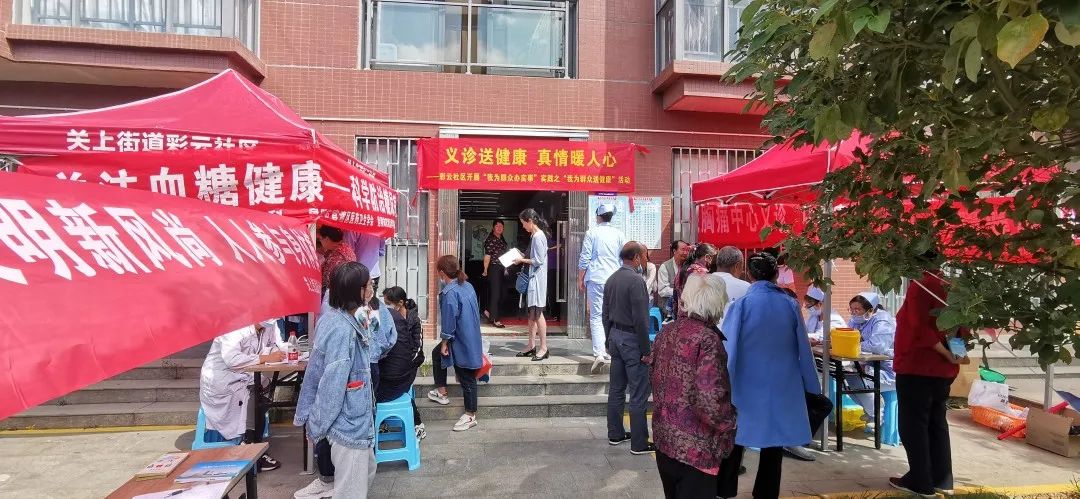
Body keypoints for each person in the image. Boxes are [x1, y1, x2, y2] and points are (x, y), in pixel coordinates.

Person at [718, 252, 822, 499]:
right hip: (782, 382)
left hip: (746, 381)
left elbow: (729, 347)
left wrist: (724, 382)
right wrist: (811, 384)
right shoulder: (790, 304)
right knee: (775, 439)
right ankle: (766, 492)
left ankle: (724, 489)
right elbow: (803, 347)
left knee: (737, 434)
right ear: (776, 274)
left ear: (749, 274)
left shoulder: (741, 305)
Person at [294, 262, 397, 499]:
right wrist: (317, 425)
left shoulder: (348, 316)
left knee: (365, 472)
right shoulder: (342, 329)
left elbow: (379, 340)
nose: (372, 288)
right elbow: (331, 383)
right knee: (352, 489)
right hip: (348, 422)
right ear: (356, 290)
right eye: (368, 285)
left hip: (356, 417)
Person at [647, 273, 736, 498]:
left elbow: (654, 378)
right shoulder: (708, 339)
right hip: (695, 450)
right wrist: (729, 424)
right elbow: (709, 399)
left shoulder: (666, 332)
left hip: (664, 439)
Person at [889, 263, 968, 498]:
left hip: (918, 366)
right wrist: (956, 354)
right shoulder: (950, 285)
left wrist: (946, 353)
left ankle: (920, 481)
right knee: (936, 423)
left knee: (913, 425)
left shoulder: (921, 285)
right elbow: (959, 327)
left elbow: (918, 327)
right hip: (942, 371)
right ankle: (942, 479)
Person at [199, 320, 286, 472]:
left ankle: (253, 442)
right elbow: (231, 359)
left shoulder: (270, 325)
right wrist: (264, 358)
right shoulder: (233, 326)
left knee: (265, 389)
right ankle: (251, 445)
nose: (273, 318)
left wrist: (284, 351)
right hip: (221, 379)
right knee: (255, 394)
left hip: (244, 374)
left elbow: (275, 344)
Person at [603, 242, 655, 455]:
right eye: (644, 256)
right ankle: (639, 443)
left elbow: (605, 314)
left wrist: (608, 339)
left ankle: (615, 433)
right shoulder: (636, 281)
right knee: (638, 392)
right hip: (632, 340)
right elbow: (641, 320)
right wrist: (646, 350)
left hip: (615, 336)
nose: (645, 260)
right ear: (635, 258)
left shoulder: (612, 279)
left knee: (616, 389)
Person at [426, 255, 485, 431]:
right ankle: (441, 391)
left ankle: (470, 414)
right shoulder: (467, 286)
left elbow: (449, 321)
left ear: (441, 272)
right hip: (470, 334)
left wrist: (445, 341)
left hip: (459, 338)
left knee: (466, 375)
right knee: (437, 354)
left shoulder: (449, 292)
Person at [578, 204, 626, 366]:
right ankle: (610, 350)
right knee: (613, 315)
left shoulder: (592, 233)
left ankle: (599, 352)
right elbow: (623, 258)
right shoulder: (619, 234)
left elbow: (585, 257)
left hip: (596, 278)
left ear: (598, 216)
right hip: (614, 278)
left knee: (596, 316)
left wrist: (580, 279)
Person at [379, 286, 426, 440]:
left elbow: (418, 347)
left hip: (411, 363)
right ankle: (382, 423)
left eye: (389, 303)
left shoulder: (414, 320)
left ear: (400, 303)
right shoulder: (389, 318)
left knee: (398, 387)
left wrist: (405, 363)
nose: (387, 307)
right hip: (396, 363)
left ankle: (418, 424)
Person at [847, 292, 897, 421]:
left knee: (856, 379)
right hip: (869, 365)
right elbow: (849, 336)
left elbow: (877, 346)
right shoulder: (855, 320)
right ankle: (871, 410)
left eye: (857, 309)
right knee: (844, 379)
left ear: (870, 310)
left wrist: (853, 344)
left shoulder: (883, 320)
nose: (854, 313)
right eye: (851, 309)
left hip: (890, 371)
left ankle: (876, 413)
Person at [514, 208, 552, 361]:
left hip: (536, 281)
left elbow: (538, 261)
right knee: (532, 315)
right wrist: (521, 256)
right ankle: (531, 345)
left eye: (523, 223)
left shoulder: (538, 236)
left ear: (530, 221)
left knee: (537, 314)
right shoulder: (535, 236)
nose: (523, 226)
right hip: (533, 280)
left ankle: (543, 348)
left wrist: (521, 260)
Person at [672, 243, 718, 317]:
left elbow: (675, 298)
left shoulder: (681, 270)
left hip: (681, 316)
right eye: (714, 258)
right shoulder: (702, 273)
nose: (715, 262)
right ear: (707, 257)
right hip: (697, 318)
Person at [481, 220, 509, 328]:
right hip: (494, 268)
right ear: (493, 228)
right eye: (497, 226)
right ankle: (495, 319)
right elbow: (487, 256)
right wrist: (485, 269)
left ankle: (488, 311)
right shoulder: (490, 240)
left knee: (503, 293)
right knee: (496, 294)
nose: (499, 228)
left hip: (502, 268)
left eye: (501, 226)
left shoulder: (502, 239)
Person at [317, 225, 356, 296]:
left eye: (320, 239)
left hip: (336, 293)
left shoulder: (337, 256)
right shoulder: (344, 247)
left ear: (327, 239)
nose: (320, 242)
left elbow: (327, 280)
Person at [657, 240, 691, 317]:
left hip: (685, 309)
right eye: (683, 250)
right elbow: (662, 290)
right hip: (669, 309)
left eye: (687, 250)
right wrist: (680, 292)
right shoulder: (665, 267)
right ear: (674, 251)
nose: (686, 253)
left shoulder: (688, 267)